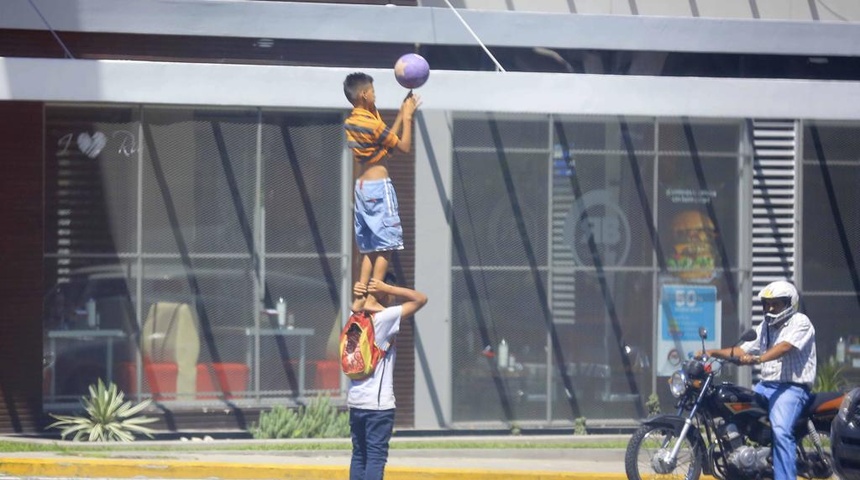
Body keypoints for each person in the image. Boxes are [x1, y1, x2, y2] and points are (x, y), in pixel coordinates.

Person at [701, 280, 816, 480]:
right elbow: (742, 350)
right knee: (735, 409)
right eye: (767, 304)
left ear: (789, 304)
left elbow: (785, 347)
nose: (771, 308)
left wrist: (758, 358)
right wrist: (713, 352)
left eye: (776, 304)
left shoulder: (800, 322)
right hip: (766, 386)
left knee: (780, 431)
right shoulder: (765, 326)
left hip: (792, 388)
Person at [343, 72, 421, 311]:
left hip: (362, 188)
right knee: (386, 245)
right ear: (365, 95)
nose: (375, 96)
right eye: (374, 92)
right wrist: (407, 118)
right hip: (379, 187)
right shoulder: (372, 123)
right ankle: (374, 297)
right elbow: (403, 146)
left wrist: (398, 115)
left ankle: (360, 295)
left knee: (369, 247)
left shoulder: (352, 123)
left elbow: (385, 144)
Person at [348, 274, 428, 480]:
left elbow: (357, 304)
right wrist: (390, 288)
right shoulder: (385, 318)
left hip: (356, 400)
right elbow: (421, 299)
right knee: (375, 457)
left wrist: (363, 291)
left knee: (359, 455)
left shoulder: (355, 317)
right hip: (378, 404)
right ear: (384, 293)